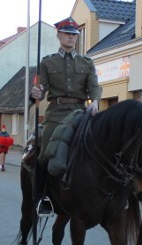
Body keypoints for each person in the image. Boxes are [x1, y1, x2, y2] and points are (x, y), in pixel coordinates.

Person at [30, 17, 101, 215]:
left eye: (74, 34)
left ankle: (106, 192)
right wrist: (36, 93)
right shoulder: (47, 62)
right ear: (59, 35)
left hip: (80, 112)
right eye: (67, 34)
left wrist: (95, 101)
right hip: (56, 113)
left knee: (103, 145)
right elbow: (41, 88)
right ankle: (41, 197)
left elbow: (94, 87)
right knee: (45, 150)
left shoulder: (86, 63)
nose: (71, 37)